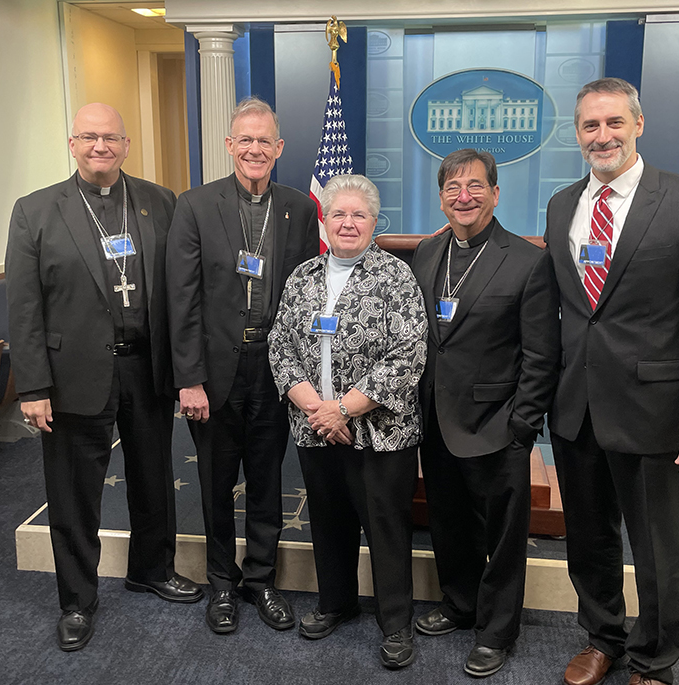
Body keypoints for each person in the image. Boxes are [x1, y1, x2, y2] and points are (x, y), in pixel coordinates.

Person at [544, 78, 679, 685]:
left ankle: (654, 659)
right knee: (589, 538)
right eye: (589, 126)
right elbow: (573, 312)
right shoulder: (561, 205)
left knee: (657, 549)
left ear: (638, 124)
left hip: (659, 412)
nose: (601, 136)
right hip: (578, 408)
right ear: (577, 133)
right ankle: (602, 638)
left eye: (613, 123)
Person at [6, 103, 201, 653]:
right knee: (74, 491)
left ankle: (151, 569)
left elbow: (181, 289)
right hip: (72, 374)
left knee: (153, 475)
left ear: (126, 144)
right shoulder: (36, 210)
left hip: (146, 364)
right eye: (89, 137)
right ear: (72, 143)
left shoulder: (161, 202)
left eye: (110, 137)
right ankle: (76, 600)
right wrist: (33, 387)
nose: (100, 146)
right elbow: (23, 307)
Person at [166, 97, 319, 634]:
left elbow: (304, 296)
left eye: (265, 141)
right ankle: (221, 584)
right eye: (245, 140)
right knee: (214, 480)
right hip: (213, 374)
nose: (255, 149)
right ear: (230, 146)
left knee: (267, 478)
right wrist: (189, 379)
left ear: (278, 149)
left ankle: (261, 579)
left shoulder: (299, 208)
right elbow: (180, 299)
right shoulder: (195, 206)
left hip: (275, 370)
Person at [410, 149, 561, 678]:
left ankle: (497, 630)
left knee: (502, 534)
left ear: (495, 194)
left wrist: (523, 425)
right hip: (437, 420)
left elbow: (542, 354)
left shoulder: (526, 260)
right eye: (452, 188)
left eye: (475, 186)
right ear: (442, 196)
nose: (464, 196)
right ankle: (459, 603)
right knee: (450, 522)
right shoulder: (428, 254)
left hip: (499, 423)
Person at [268, 174, 427, 669]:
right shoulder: (303, 277)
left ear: (375, 223)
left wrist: (345, 409)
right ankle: (335, 602)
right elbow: (280, 346)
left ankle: (396, 623)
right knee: (329, 521)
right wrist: (319, 411)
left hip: (379, 434)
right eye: (339, 214)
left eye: (359, 215)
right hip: (317, 429)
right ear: (325, 219)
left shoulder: (396, 276)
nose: (349, 223)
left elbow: (408, 352)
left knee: (385, 527)